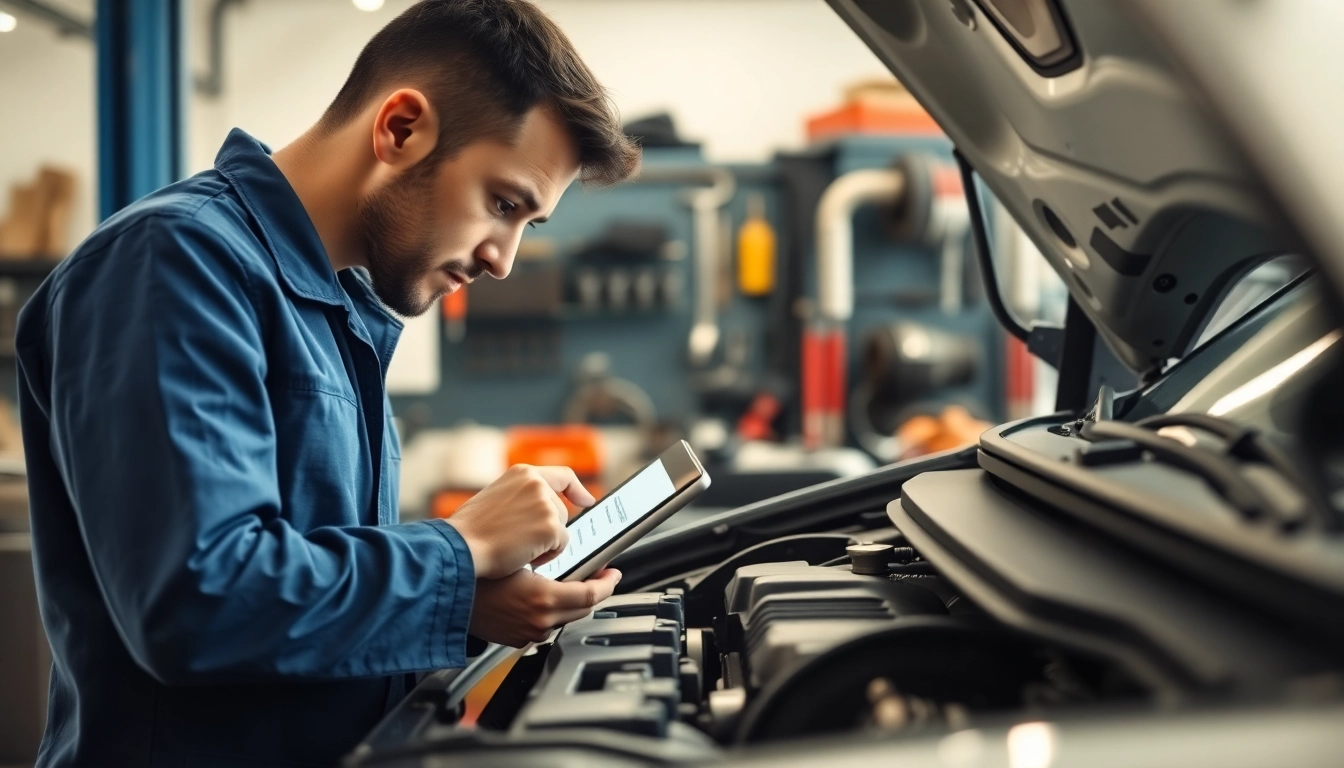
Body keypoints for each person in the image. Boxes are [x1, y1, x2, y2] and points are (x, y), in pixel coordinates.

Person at [15, 1, 641, 766]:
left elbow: (301, 601)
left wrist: (470, 603)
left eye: (526, 223)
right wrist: (459, 548)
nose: (502, 259)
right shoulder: (173, 262)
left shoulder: (338, 312)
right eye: (502, 204)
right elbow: (199, 604)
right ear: (401, 129)